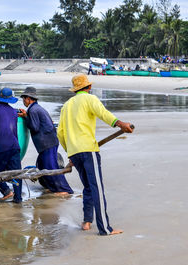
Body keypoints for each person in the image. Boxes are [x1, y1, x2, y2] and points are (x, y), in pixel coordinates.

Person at [57, 74, 134, 235]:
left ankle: (87, 221)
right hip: (88, 150)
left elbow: (60, 133)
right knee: (96, 188)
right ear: (89, 87)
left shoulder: (66, 106)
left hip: (75, 152)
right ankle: (105, 228)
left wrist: (69, 152)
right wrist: (121, 124)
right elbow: (103, 113)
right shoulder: (89, 99)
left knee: (88, 187)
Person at [18, 87, 73, 196]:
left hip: (47, 142)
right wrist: (26, 116)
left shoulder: (33, 110)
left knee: (51, 167)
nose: (23, 101)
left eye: (24, 99)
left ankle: (64, 189)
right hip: (49, 141)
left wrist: (26, 118)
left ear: (29, 99)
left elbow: (34, 127)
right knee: (42, 165)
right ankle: (52, 187)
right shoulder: (36, 108)